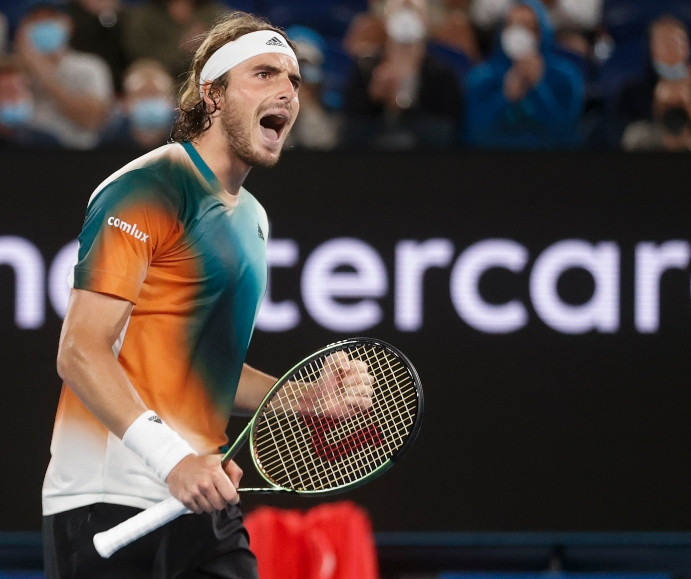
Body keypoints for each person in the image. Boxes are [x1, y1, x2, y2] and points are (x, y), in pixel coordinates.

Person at [41, 10, 374, 578]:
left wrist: (305, 397)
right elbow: (79, 351)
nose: (287, 92)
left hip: (203, 501)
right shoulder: (148, 186)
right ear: (212, 94)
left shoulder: (254, 220)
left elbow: (202, 371)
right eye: (264, 74)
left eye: (293, 80)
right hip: (105, 503)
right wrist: (174, 461)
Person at [462, 0, 586, 149]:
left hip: (549, 159)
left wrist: (538, 86)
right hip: (494, 158)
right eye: (510, 25)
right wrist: (505, 97)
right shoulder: (480, 77)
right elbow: (473, 134)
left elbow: (567, 134)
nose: (517, 33)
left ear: (541, 33)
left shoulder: (566, 77)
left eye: (527, 26)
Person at [341, 0, 464, 149]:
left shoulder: (443, 76)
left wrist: (405, 107)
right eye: (400, 11)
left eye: (414, 12)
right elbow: (349, 137)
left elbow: (445, 137)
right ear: (385, 20)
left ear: (427, 23)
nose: (406, 18)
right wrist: (372, 101)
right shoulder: (364, 69)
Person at [11, 0, 114, 149]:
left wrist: (42, 71)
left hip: (74, 154)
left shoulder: (90, 67)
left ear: (68, 24)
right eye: (36, 19)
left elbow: (92, 121)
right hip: (19, 153)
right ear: (22, 28)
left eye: (50, 18)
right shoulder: (9, 69)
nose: (43, 24)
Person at [100, 57, 177, 150]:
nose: (149, 100)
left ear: (171, 101)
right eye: (142, 94)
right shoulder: (108, 137)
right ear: (125, 101)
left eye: (155, 93)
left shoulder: (188, 138)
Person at [621, 78, 691, 152]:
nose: (673, 115)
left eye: (680, 104)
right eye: (667, 105)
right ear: (655, 108)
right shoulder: (639, 139)